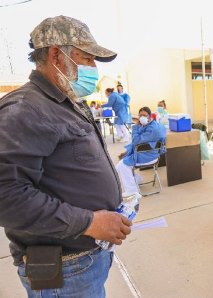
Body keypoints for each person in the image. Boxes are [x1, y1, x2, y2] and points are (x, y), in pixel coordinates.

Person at [0, 15, 132, 297]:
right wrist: (90, 222)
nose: (93, 69)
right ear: (58, 56)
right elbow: (5, 196)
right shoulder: (25, 109)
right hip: (64, 269)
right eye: (86, 59)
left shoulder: (63, 102)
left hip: (82, 261)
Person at [116, 107, 166, 196]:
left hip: (147, 156)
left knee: (121, 166)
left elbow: (136, 141)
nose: (142, 117)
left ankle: (132, 191)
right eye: (140, 115)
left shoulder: (152, 129)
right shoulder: (152, 125)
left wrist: (136, 127)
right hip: (152, 155)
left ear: (150, 117)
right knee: (123, 162)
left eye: (145, 115)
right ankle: (136, 179)